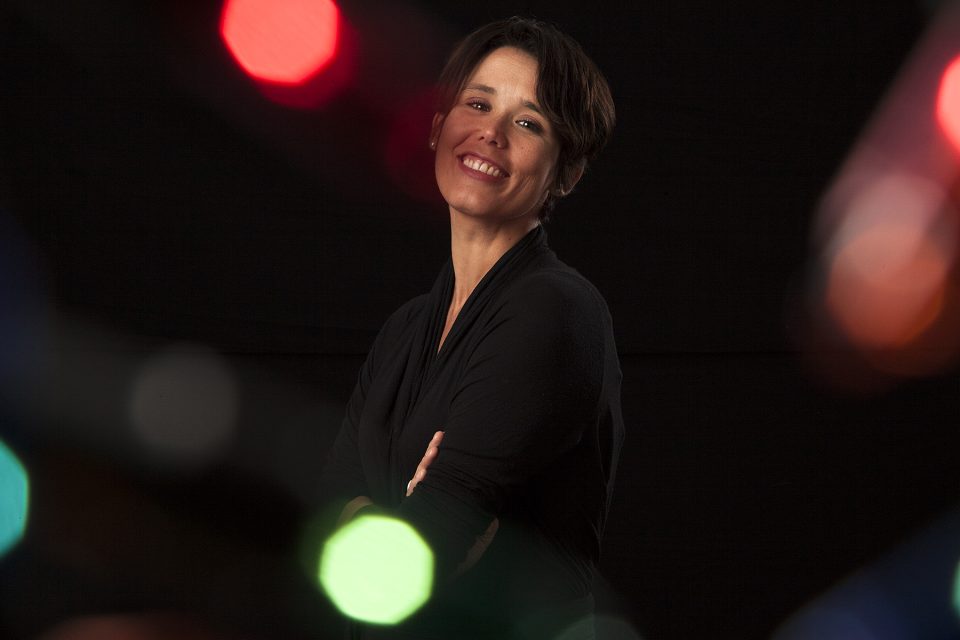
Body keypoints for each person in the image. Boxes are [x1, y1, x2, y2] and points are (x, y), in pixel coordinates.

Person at [320, 16, 623, 639]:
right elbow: (323, 518)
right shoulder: (406, 328)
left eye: (529, 123)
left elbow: (423, 551)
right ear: (437, 127)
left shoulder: (557, 311)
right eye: (478, 104)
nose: (491, 132)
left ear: (566, 174)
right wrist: (409, 518)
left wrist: (395, 518)